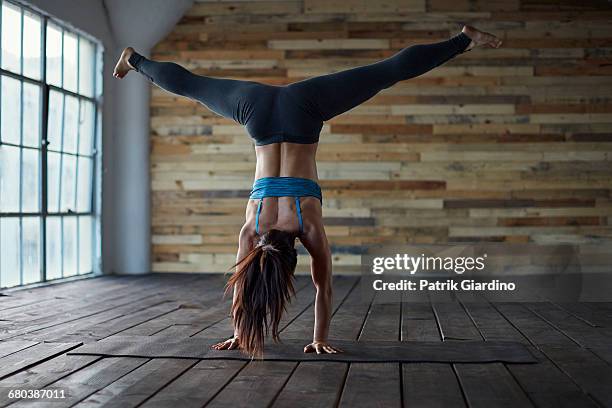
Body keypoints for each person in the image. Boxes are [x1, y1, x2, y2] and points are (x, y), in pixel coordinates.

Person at [114, 25, 502, 357]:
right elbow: (241, 286)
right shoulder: (253, 228)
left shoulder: (308, 227)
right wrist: (237, 331)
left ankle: (462, 41)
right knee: (194, 87)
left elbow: (324, 288)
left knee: (384, 73)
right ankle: (135, 60)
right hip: (258, 113)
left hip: (305, 112)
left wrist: (320, 338)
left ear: (292, 254)